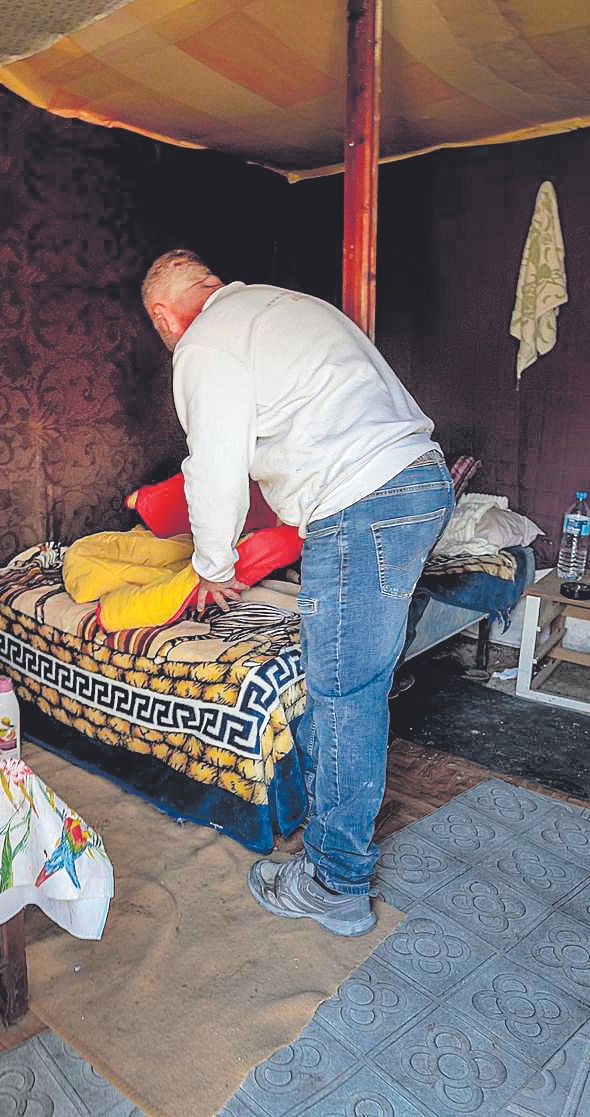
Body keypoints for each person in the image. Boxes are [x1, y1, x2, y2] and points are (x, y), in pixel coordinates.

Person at [140, 249, 453, 936]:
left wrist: (212, 566)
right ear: (213, 285)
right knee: (349, 679)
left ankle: (334, 882)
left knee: (343, 694)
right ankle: (330, 841)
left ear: (165, 315)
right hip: (419, 484)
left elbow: (215, 467)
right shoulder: (280, 306)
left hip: (362, 499)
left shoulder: (204, 344)